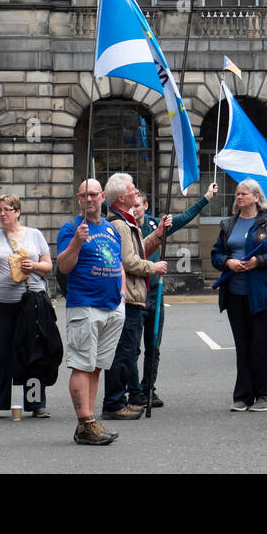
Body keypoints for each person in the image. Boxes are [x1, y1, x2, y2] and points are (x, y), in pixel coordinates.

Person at [211, 178, 267, 413]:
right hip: (235, 294)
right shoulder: (228, 224)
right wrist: (228, 262)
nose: (238, 197)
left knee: (262, 346)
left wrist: (260, 260)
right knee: (243, 346)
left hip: (263, 294)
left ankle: (265, 395)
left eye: (243, 194)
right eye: (237, 194)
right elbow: (216, 254)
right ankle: (243, 396)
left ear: (256, 197)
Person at [136, 182, 217, 408]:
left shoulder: (156, 224)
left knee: (153, 345)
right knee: (132, 347)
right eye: (131, 205)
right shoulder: (125, 226)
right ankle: (133, 391)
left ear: (146, 206)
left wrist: (207, 197)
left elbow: (185, 217)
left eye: (138, 205)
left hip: (155, 293)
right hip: (134, 294)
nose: (134, 209)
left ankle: (148, 388)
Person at [57, 179, 125, 446]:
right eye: (84, 195)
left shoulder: (110, 229)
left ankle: (90, 421)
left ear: (103, 197)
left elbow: (118, 261)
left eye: (94, 194)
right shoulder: (71, 228)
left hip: (111, 306)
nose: (89, 199)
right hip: (84, 305)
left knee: (96, 366)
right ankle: (84, 421)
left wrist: (121, 294)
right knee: (82, 365)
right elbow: (63, 266)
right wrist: (76, 241)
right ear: (78, 198)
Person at [0, 193, 53, 419]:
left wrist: (34, 265)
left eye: (7, 209)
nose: (2, 214)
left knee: (34, 354)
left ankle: (36, 403)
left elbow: (48, 266)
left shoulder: (35, 235)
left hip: (29, 304)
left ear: (17, 211)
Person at [101, 173, 166, 421]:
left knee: (128, 351)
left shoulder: (128, 221)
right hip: (128, 297)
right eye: (132, 190)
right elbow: (129, 262)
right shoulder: (119, 223)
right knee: (124, 352)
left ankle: (118, 400)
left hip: (133, 296)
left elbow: (139, 250)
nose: (136, 192)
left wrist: (157, 235)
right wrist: (154, 268)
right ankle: (114, 403)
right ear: (121, 197)